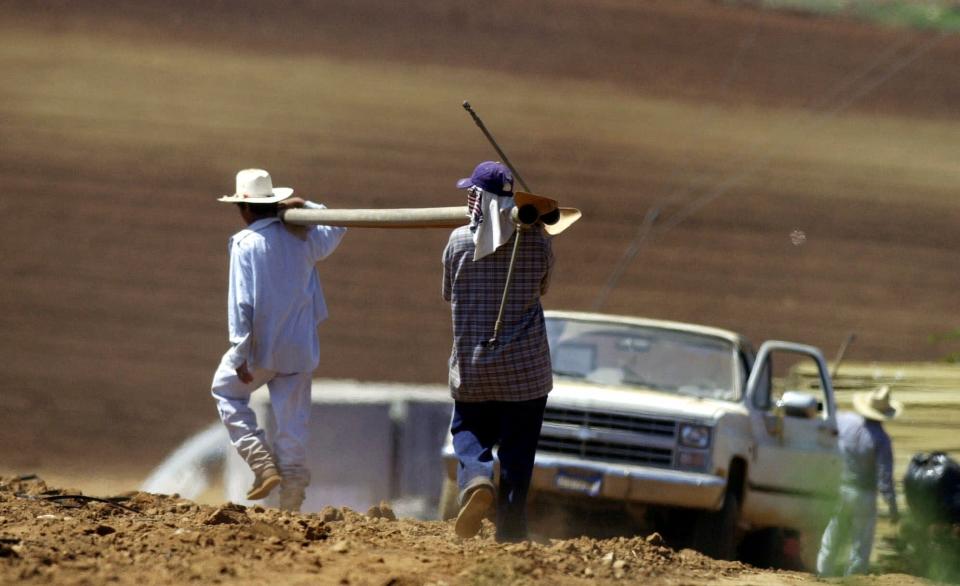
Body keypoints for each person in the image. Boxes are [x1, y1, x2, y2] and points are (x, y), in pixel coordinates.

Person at [211, 168, 346, 511]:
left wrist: (240, 352)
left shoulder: (245, 244)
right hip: (300, 346)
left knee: (226, 391)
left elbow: (241, 302)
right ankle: (292, 494)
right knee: (293, 422)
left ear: (244, 208)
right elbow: (338, 223)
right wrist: (306, 207)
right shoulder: (304, 239)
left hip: (261, 348)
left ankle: (261, 463)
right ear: (275, 203)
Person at [442, 161, 554, 542]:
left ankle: (475, 478)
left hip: (473, 367)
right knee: (519, 454)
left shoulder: (458, 242)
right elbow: (543, 286)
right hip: (526, 374)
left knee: (469, 430)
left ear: (477, 198)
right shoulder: (538, 240)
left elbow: (447, 292)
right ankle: (511, 532)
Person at [816, 385, 903, 576]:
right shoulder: (881, 440)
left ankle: (822, 574)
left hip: (842, 489)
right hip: (864, 494)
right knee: (861, 544)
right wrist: (893, 508)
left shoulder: (845, 422)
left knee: (833, 535)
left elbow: (827, 419)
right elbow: (885, 480)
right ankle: (854, 577)